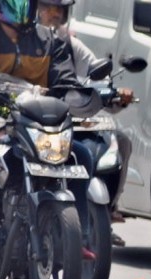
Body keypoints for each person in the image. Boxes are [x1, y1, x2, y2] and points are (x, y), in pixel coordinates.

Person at [0, 0, 94, 229]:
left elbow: (64, 79)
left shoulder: (50, 41)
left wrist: (84, 93)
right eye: (12, 4)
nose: (20, 10)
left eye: (25, 3)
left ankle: (81, 235)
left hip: (34, 128)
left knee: (82, 155)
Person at [36, 0, 134, 247]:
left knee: (109, 146)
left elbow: (95, 73)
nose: (54, 14)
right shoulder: (27, 42)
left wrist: (114, 93)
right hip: (33, 125)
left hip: (69, 123)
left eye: (59, 9)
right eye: (48, 8)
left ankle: (91, 226)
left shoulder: (69, 44)